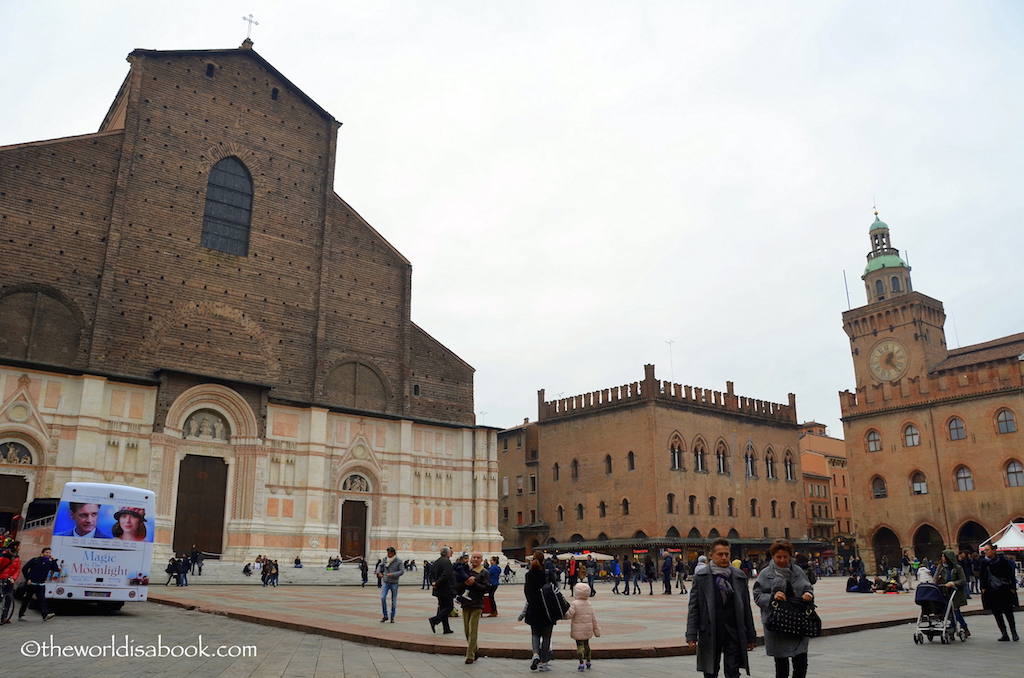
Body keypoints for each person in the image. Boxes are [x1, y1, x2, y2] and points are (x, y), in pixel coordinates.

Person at [686, 538, 757, 678]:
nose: (724, 558)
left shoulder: (739, 576)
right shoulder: (701, 577)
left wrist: (750, 635)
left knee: (733, 671)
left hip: (733, 630)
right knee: (710, 671)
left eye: (727, 554)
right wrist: (691, 634)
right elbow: (694, 607)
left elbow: (746, 609)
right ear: (711, 556)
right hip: (710, 630)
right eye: (720, 554)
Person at [753, 539, 815, 678]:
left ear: (790, 557)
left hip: (798, 622)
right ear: (773, 556)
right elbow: (757, 596)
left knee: (801, 663)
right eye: (778, 557)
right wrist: (772, 597)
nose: (782, 560)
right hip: (777, 624)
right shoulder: (765, 574)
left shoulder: (798, 571)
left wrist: (808, 594)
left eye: (785, 557)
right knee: (781, 666)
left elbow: (808, 588)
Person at [523, 550, 558, 672]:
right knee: (547, 636)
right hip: (548, 609)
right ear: (544, 560)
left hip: (534, 608)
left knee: (535, 633)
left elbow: (526, 592)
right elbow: (555, 589)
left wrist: (532, 602)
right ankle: (543, 662)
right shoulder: (547, 574)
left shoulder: (529, 575)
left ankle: (535, 654)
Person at [980, 543, 1018, 641]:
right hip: (991, 591)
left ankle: (1014, 633)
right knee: (997, 612)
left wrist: (1012, 587)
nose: (985, 552)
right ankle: (1004, 633)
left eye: (987, 550)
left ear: (994, 551)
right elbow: (982, 576)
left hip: (1004, 589)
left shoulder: (1003, 561)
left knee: (1008, 611)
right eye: (985, 550)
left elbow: (1011, 574)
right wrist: (983, 588)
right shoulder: (984, 562)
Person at [457, 551, 490, 663]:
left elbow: (486, 589)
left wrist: (474, 584)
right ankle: (475, 649)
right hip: (466, 603)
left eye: (478, 557)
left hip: (477, 604)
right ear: (470, 559)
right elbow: (458, 586)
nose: (475, 559)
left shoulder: (484, 572)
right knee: (466, 630)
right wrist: (466, 583)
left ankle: (470, 655)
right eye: (474, 557)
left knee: (473, 630)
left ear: (481, 560)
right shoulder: (466, 571)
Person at [565, 582, 601, 671]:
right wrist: (596, 630)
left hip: (578, 629)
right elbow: (593, 618)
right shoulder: (589, 603)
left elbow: (570, 615)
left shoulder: (575, 603)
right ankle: (588, 661)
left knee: (579, 645)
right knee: (587, 645)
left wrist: (563, 615)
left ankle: (581, 663)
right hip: (588, 629)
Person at [18, 546, 60, 621]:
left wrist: (54, 560)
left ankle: (45, 615)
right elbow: (25, 569)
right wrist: (28, 578)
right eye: (46, 553)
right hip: (32, 583)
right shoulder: (35, 560)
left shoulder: (49, 563)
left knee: (42, 599)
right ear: (42, 553)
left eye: (49, 553)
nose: (48, 554)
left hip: (41, 584)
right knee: (27, 599)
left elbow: (55, 569)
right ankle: (21, 614)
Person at [934, 549, 969, 637]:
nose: (942, 558)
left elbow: (963, 580)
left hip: (956, 593)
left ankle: (953, 629)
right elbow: (935, 578)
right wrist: (933, 585)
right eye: (941, 556)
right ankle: (961, 628)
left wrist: (953, 583)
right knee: (951, 611)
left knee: (955, 610)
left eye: (944, 557)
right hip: (944, 592)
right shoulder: (941, 567)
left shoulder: (957, 568)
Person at [429, 546, 456, 635]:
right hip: (446, 589)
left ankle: (446, 628)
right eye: (451, 552)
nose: (451, 554)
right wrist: (438, 583)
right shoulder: (447, 562)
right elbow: (446, 575)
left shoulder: (436, 562)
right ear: (447, 553)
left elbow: (431, 573)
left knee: (443, 607)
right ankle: (435, 620)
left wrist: (433, 582)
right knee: (449, 607)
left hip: (439, 590)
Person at [377, 546, 403, 623]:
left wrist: (393, 574)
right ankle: (385, 615)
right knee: (383, 597)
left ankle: (392, 616)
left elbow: (401, 571)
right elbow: (380, 566)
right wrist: (379, 572)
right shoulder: (385, 559)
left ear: (393, 553)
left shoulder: (399, 561)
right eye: (387, 553)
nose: (388, 554)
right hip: (386, 581)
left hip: (394, 582)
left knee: (393, 600)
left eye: (389, 553)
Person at [0, 541, 21, 625]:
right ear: (15, 547)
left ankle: (4, 617)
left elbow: (17, 569)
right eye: (19, 546)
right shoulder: (4, 556)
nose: (20, 548)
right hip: (1, 579)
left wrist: (13, 578)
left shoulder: (16, 557)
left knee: (9, 599)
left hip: (9, 580)